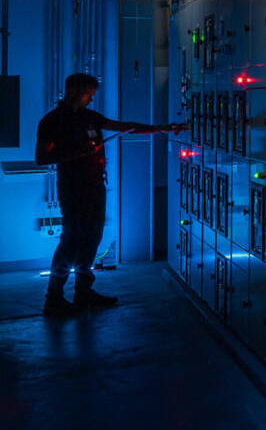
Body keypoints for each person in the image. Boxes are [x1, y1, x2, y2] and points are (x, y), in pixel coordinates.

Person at [35, 72, 184, 317]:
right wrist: (78, 152)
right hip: (73, 190)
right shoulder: (52, 121)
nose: (91, 99)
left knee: (93, 237)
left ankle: (83, 292)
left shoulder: (89, 117)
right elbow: (42, 157)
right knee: (71, 241)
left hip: (95, 187)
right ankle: (54, 299)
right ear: (73, 92)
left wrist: (161, 129)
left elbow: (125, 127)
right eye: (88, 95)